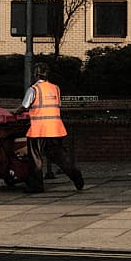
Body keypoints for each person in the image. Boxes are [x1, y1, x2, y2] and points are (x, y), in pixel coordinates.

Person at [21, 61, 84, 190]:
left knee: (36, 158)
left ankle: (36, 186)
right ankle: (75, 174)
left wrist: (13, 112)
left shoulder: (34, 89)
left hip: (38, 130)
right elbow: (57, 105)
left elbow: (24, 106)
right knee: (59, 156)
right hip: (55, 129)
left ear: (36, 75)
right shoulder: (55, 88)